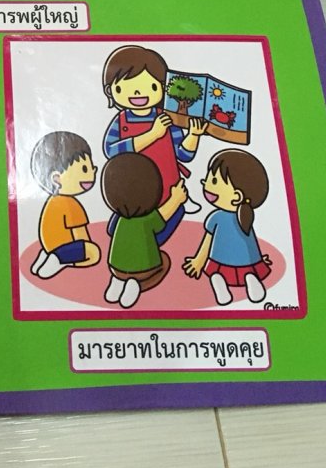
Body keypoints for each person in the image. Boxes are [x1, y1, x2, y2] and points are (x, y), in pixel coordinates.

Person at [102, 44, 208, 242]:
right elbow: (111, 151)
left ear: (163, 88)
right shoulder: (121, 121)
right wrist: (152, 135)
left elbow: (183, 154)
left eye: (151, 86)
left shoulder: (167, 119)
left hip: (168, 188)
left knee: (158, 230)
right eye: (125, 87)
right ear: (112, 90)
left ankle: (156, 243)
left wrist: (194, 135)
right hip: (133, 192)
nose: (138, 93)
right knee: (116, 231)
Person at [183, 149, 272, 305]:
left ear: (236, 196)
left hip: (220, 260)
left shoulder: (219, 217)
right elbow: (251, 244)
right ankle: (250, 278)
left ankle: (226, 286)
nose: (205, 183)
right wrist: (258, 261)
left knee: (216, 274)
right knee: (244, 273)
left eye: (214, 181)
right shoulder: (243, 217)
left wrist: (199, 261)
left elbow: (207, 241)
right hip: (248, 262)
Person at [101, 153, 187, 308]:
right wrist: (176, 199)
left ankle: (117, 282)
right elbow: (164, 215)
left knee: (123, 267)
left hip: (115, 267)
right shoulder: (147, 219)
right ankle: (137, 285)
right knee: (164, 261)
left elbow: (110, 231)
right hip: (142, 270)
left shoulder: (119, 218)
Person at [29, 131, 101, 280]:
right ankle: (59, 260)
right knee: (94, 253)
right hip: (65, 247)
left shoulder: (52, 201)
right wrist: (86, 247)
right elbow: (80, 234)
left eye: (91, 167)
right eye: (85, 169)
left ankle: (48, 256)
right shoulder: (71, 204)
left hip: (49, 245)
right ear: (57, 178)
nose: (93, 173)